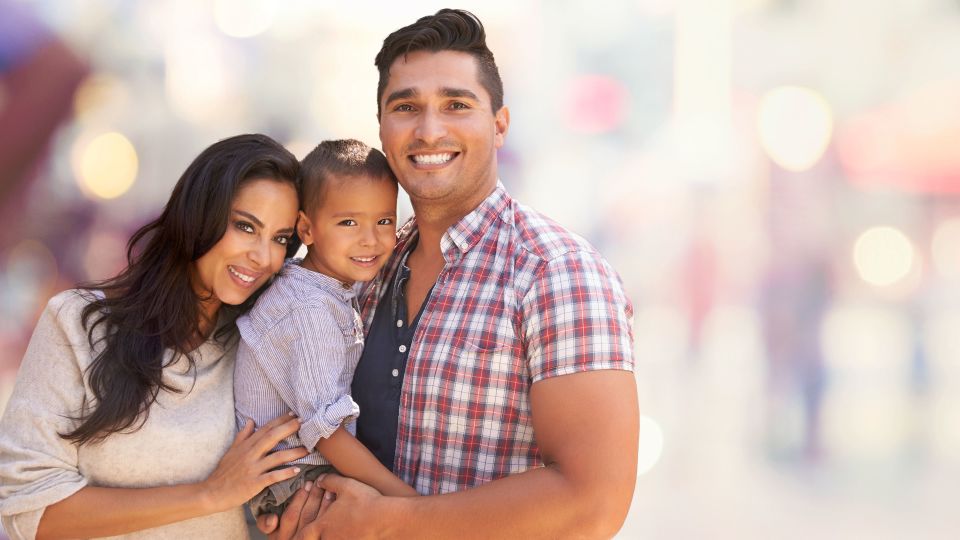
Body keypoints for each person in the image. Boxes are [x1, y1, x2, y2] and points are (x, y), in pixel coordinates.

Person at [262, 9, 639, 539]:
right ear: (382, 129)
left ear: (499, 124)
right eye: (406, 107)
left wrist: (389, 523)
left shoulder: (557, 274)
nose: (429, 129)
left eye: (456, 105)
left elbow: (592, 505)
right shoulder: (364, 268)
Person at [0, 134, 310, 539]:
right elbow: (28, 509)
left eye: (280, 239)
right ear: (199, 215)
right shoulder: (78, 324)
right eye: (245, 226)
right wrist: (209, 494)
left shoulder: (259, 349)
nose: (264, 256)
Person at [234, 139, 417, 519]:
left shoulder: (322, 286)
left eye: (383, 221)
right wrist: (410, 506)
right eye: (348, 222)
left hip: (304, 469)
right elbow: (327, 432)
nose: (370, 238)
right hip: (295, 480)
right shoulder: (308, 309)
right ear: (307, 229)